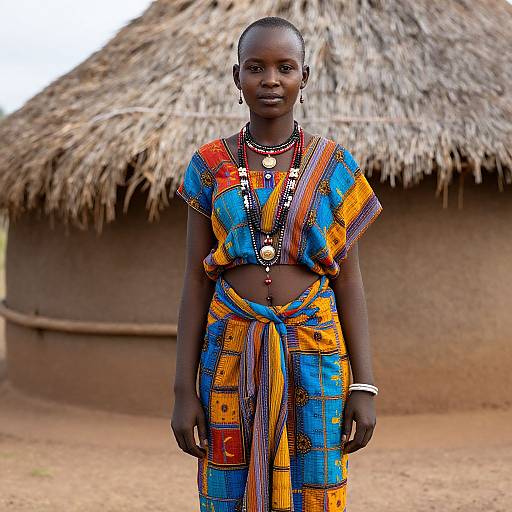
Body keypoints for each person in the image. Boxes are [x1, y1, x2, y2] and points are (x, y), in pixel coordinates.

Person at [171, 16, 383, 512]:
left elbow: (348, 280)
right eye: (256, 68)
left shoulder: (336, 166)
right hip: (229, 356)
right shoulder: (210, 165)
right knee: (228, 489)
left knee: (318, 489)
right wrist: (183, 391)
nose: (271, 80)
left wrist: (364, 385)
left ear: (304, 77)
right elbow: (194, 279)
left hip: (316, 355)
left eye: (285, 67)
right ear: (236, 77)